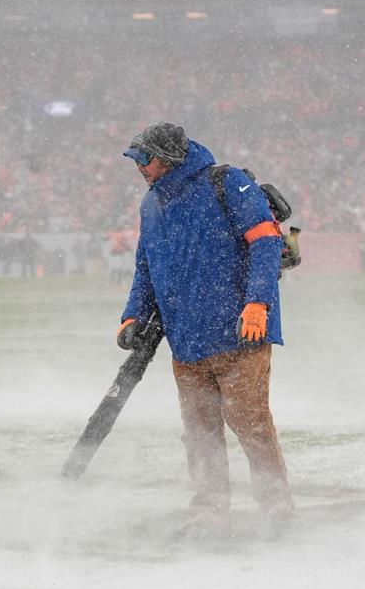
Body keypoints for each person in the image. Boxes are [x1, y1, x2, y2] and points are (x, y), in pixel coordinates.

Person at [118, 122, 293, 541]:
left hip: (239, 335)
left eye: (147, 158)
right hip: (186, 342)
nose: (140, 167)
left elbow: (266, 241)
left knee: (250, 425)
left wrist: (258, 303)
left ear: (170, 157)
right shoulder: (151, 205)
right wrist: (132, 315)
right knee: (199, 435)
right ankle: (208, 517)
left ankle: (278, 514)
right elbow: (146, 266)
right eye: (137, 160)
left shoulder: (226, 183)